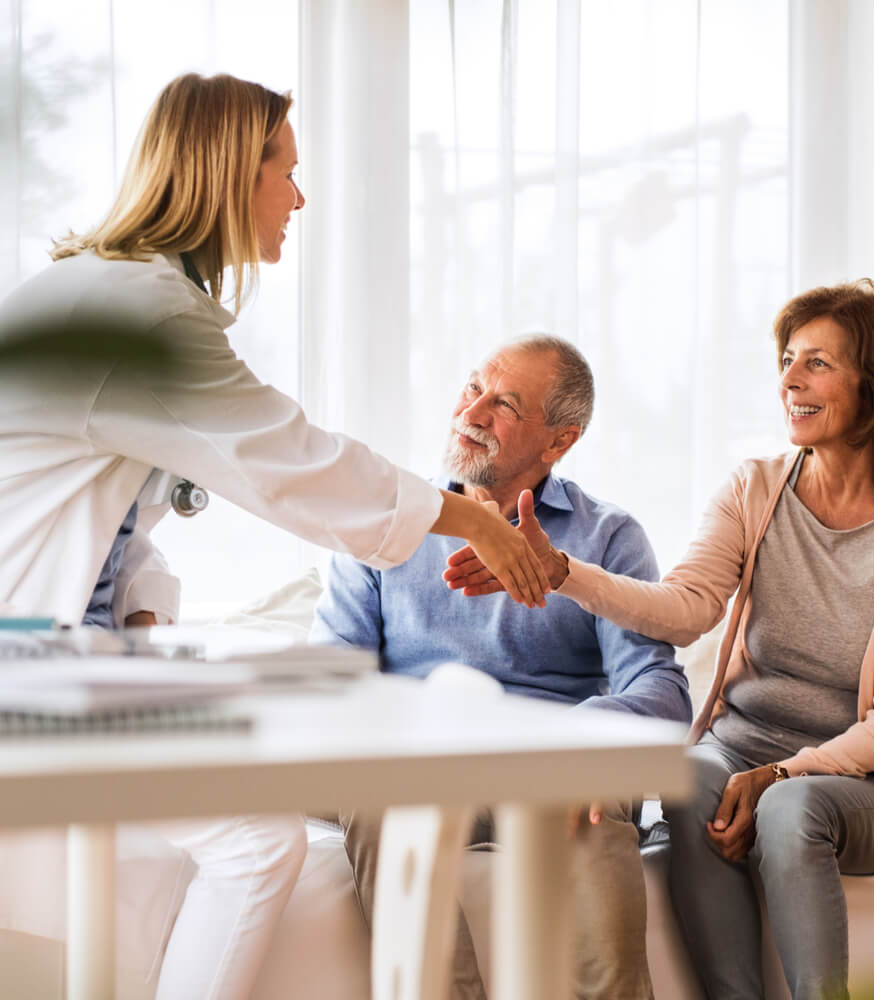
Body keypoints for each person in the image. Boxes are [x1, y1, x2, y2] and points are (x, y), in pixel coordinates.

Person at [0, 73, 547, 1000]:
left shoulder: (112, 296)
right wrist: (466, 518)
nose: (299, 196)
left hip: (58, 659)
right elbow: (294, 463)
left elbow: (96, 512)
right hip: (26, 667)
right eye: (285, 171)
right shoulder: (136, 312)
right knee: (258, 843)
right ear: (225, 172)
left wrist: (138, 617)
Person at [445, 282, 874, 1000]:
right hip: (743, 748)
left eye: (816, 363)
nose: (789, 380)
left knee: (793, 811)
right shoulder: (754, 488)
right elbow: (686, 608)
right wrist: (562, 571)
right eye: (788, 359)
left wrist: (786, 776)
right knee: (690, 777)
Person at [311, 334, 692, 1000]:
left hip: (550, 768)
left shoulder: (606, 536)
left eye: (505, 403)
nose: (474, 411)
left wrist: (582, 744)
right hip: (420, 765)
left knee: (601, 827)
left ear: (558, 441)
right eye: (472, 387)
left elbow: (659, 688)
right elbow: (332, 681)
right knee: (372, 794)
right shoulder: (387, 528)